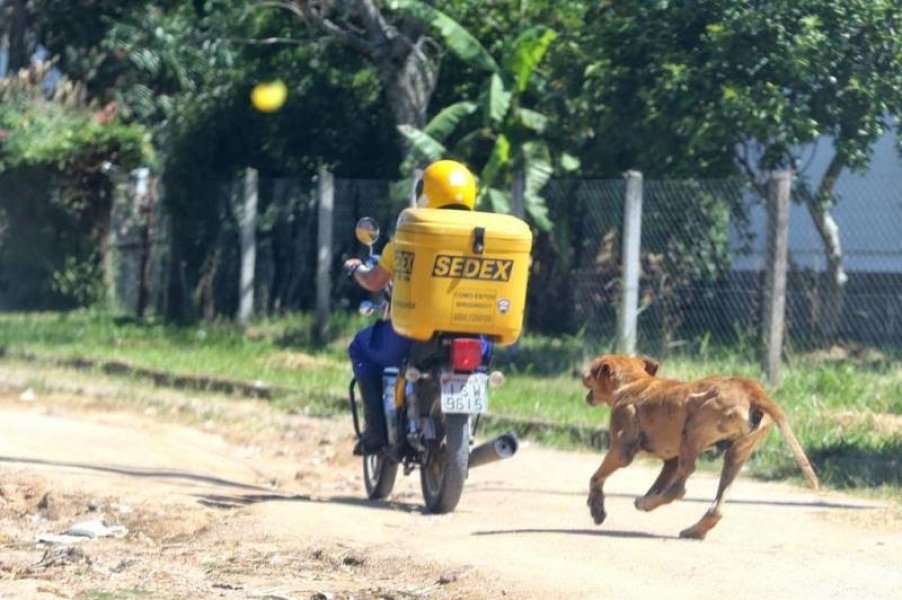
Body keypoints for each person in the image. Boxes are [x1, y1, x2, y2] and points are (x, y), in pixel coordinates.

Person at [344, 159, 478, 455]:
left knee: (360, 347)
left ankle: (375, 432)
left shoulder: (410, 237)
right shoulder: (486, 238)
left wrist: (354, 269)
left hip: (412, 336)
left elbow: (375, 281)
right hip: (476, 336)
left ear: (426, 194)